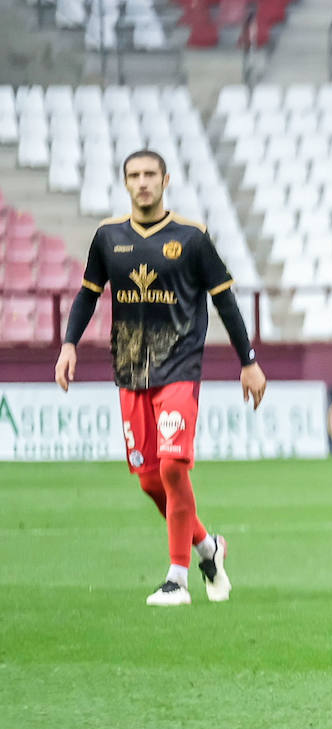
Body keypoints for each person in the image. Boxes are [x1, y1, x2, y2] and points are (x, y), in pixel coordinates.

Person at [55, 149, 267, 607]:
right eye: (134, 175)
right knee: (151, 481)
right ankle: (209, 548)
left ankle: (177, 579)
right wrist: (69, 344)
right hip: (130, 370)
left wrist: (247, 361)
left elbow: (225, 301)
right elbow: (87, 296)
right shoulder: (108, 238)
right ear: (125, 182)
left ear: (166, 180)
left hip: (180, 367)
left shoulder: (192, 237)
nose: (143, 182)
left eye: (150, 174)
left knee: (173, 467)